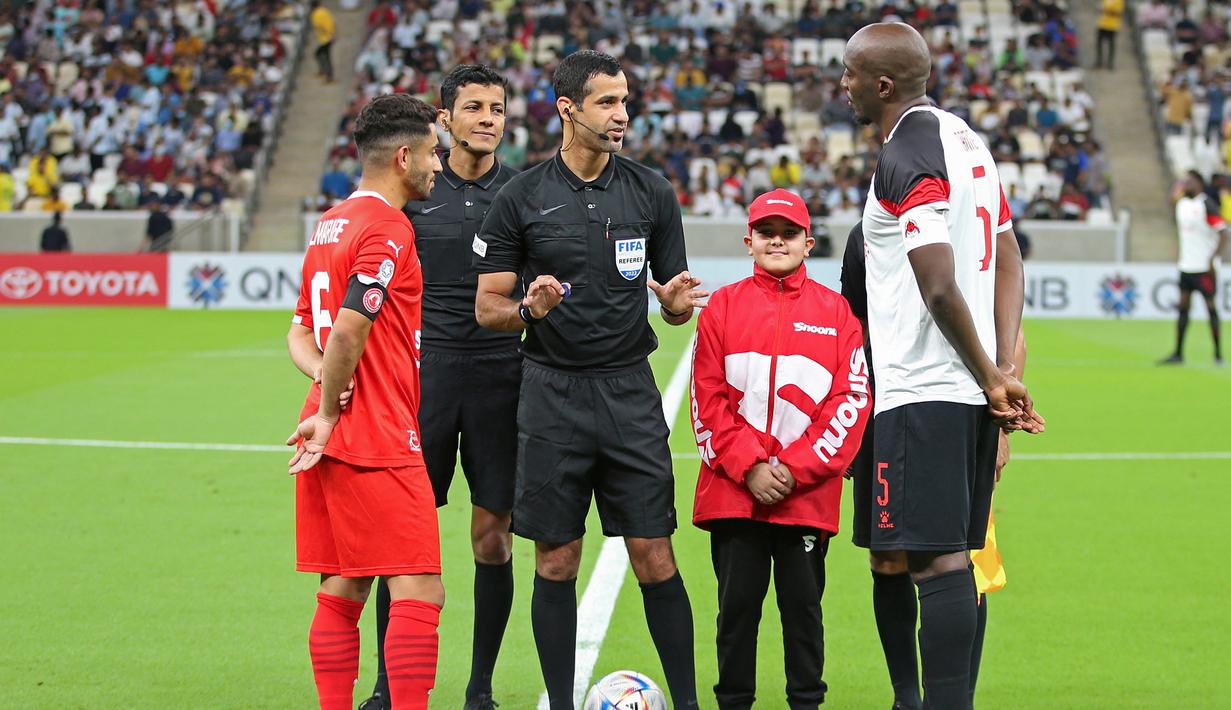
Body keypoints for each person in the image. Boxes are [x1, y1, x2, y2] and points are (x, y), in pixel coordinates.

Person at [474, 50, 705, 710]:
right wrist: (526, 310)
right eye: (606, 102)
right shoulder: (521, 196)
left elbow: (672, 298)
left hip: (629, 391)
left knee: (654, 555)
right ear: (567, 108)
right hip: (550, 393)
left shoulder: (651, 192)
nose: (621, 115)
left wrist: (673, 305)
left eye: (625, 101)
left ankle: (687, 703)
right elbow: (487, 305)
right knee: (555, 560)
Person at [841, 23, 1043, 709]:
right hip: (966, 393)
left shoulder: (908, 155)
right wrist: (999, 364)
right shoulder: (968, 142)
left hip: (920, 392)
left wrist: (993, 373)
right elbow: (1009, 255)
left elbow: (935, 281)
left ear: (882, 84)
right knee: (945, 555)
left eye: (849, 74)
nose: (842, 86)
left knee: (937, 562)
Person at [361, 65, 521, 710]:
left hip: (500, 379)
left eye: (498, 108)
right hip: (419, 383)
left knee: (492, 534)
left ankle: (480, 687)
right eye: (474, 107)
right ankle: (384, 683)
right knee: (399, 541)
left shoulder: (523, 193)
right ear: (445, 121)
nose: (488, 118)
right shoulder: (415, 189)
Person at [283, 93, 444, 710]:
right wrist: (330, 410)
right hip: (373, 430)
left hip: (327, 430)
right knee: (420, 587)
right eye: (433, 153)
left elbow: (300, 329)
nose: (437, 166)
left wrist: (323, 387)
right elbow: (350, 325)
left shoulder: (330, 222)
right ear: (404, 156)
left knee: (345, 582)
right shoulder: (387, 226)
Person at [690, 189, 870, 710]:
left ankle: (806, 702)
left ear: (808, 243)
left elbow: (851, 399)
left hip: (804, 498)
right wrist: (748, 467)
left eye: (788, 233)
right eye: (766, 232)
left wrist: (791, 469)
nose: (777, 241)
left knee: (804, 615)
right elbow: (708, 397)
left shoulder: (836, 313)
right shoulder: (723, 306)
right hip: (734, 493)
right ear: (749, 241)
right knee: (736, 613)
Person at [841, 222, 1024, 709]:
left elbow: (1011, 332)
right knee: (886, 556)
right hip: (884, 412)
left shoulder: (968, 233)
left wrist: (1001, 427)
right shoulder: (866, 236)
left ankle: (957, 696)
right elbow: (852, 331)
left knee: (964, 558)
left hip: (960, 412)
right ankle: (906, 697)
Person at [1160, 170, 1226, 365]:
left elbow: (1223, 232)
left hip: (1204, 268)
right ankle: (1178, 353)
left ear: (1199, 183)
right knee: (1183, 309)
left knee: (1211, 309)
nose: (1185, 184)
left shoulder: (1206, 204)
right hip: (1186, 266)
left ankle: (1218, 355)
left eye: (1189, 181)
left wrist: (1212, 258)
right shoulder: (1182, 204)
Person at [310, 0, 336, 83]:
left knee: (323, 55)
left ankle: (328, 75)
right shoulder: (323, 11)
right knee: (320, 54)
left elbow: (326, 24)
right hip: (326, 37)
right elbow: (332, 22)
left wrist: (331, 34)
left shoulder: (318, 13)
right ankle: (325, 72)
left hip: (327, 38)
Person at [1096, 0, 1124, 70]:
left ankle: (1110, 63)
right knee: (1099, 44)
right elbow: (1101, 9)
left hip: (1113, 25)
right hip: (1102, 24)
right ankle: (1099, 61)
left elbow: (1118, 13)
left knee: (1111, 45)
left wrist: (1107, 10)